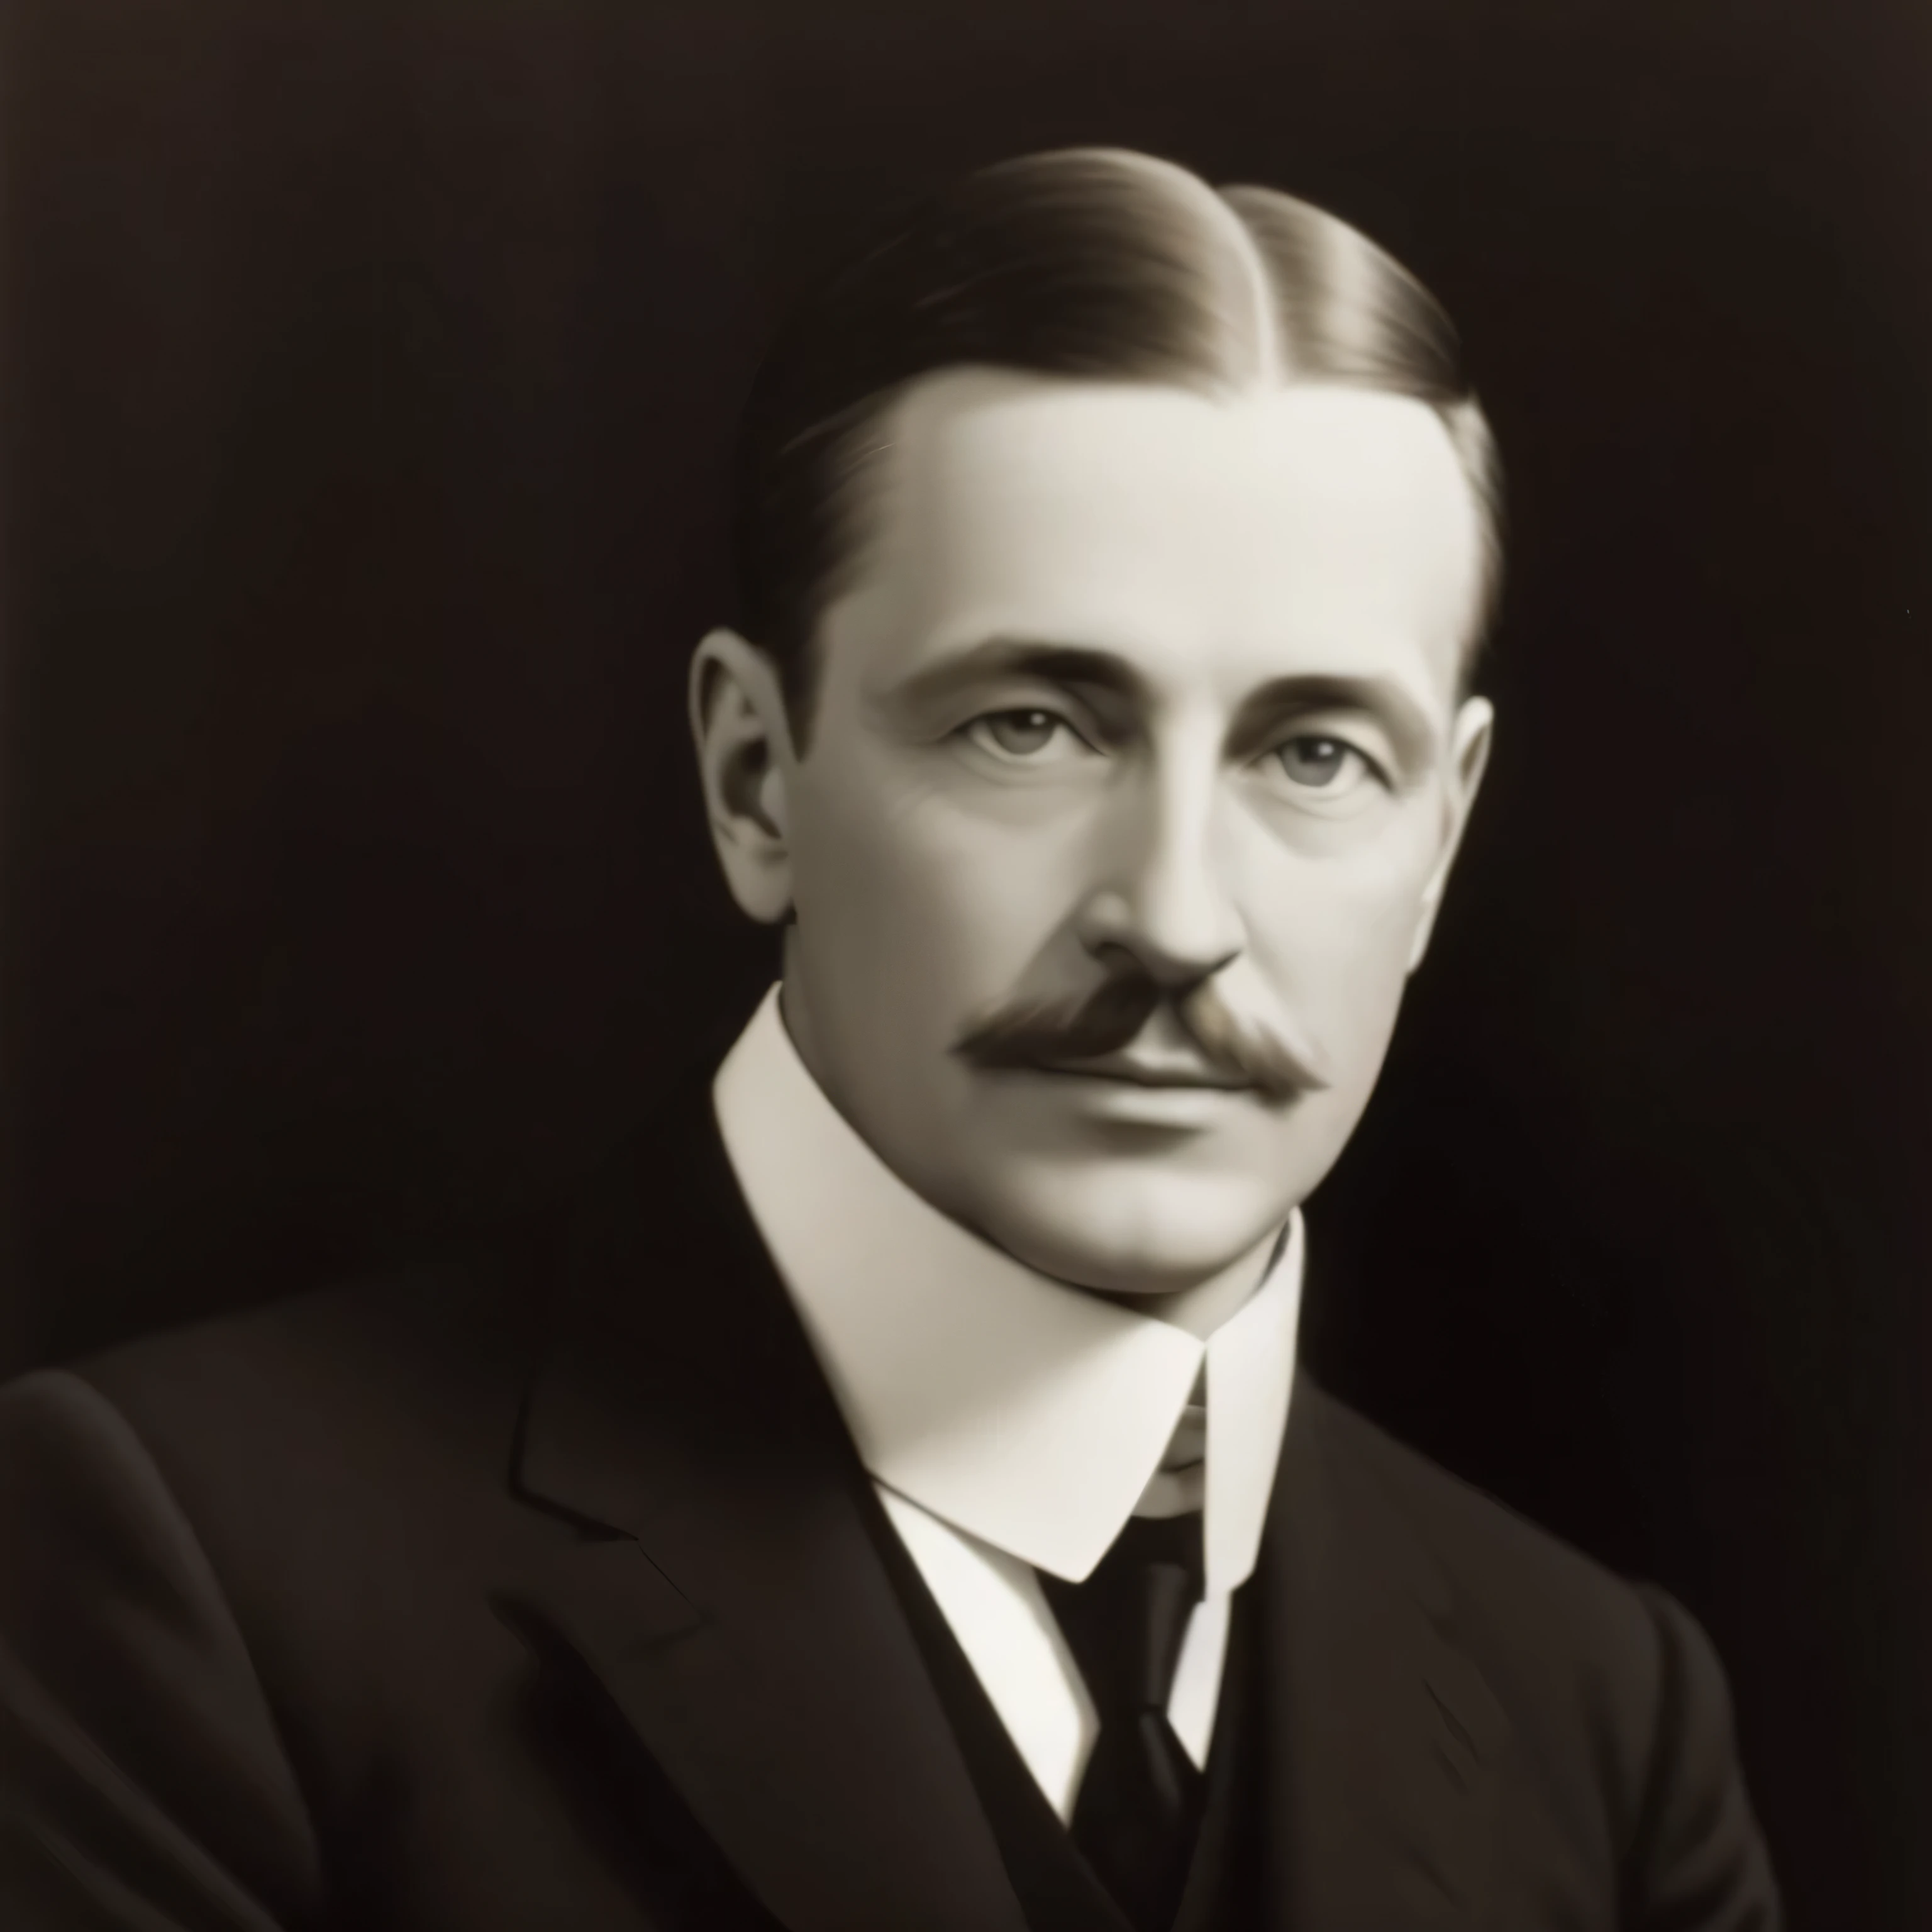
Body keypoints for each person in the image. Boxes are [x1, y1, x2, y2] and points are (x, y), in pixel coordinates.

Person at [0, 147, 1778, 1931]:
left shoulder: (1606, 1719)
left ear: (1442, 843)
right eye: (1032, 727)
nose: (1173, 917)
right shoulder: (183, 1583)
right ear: (754, 779)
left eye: (1313, 755)